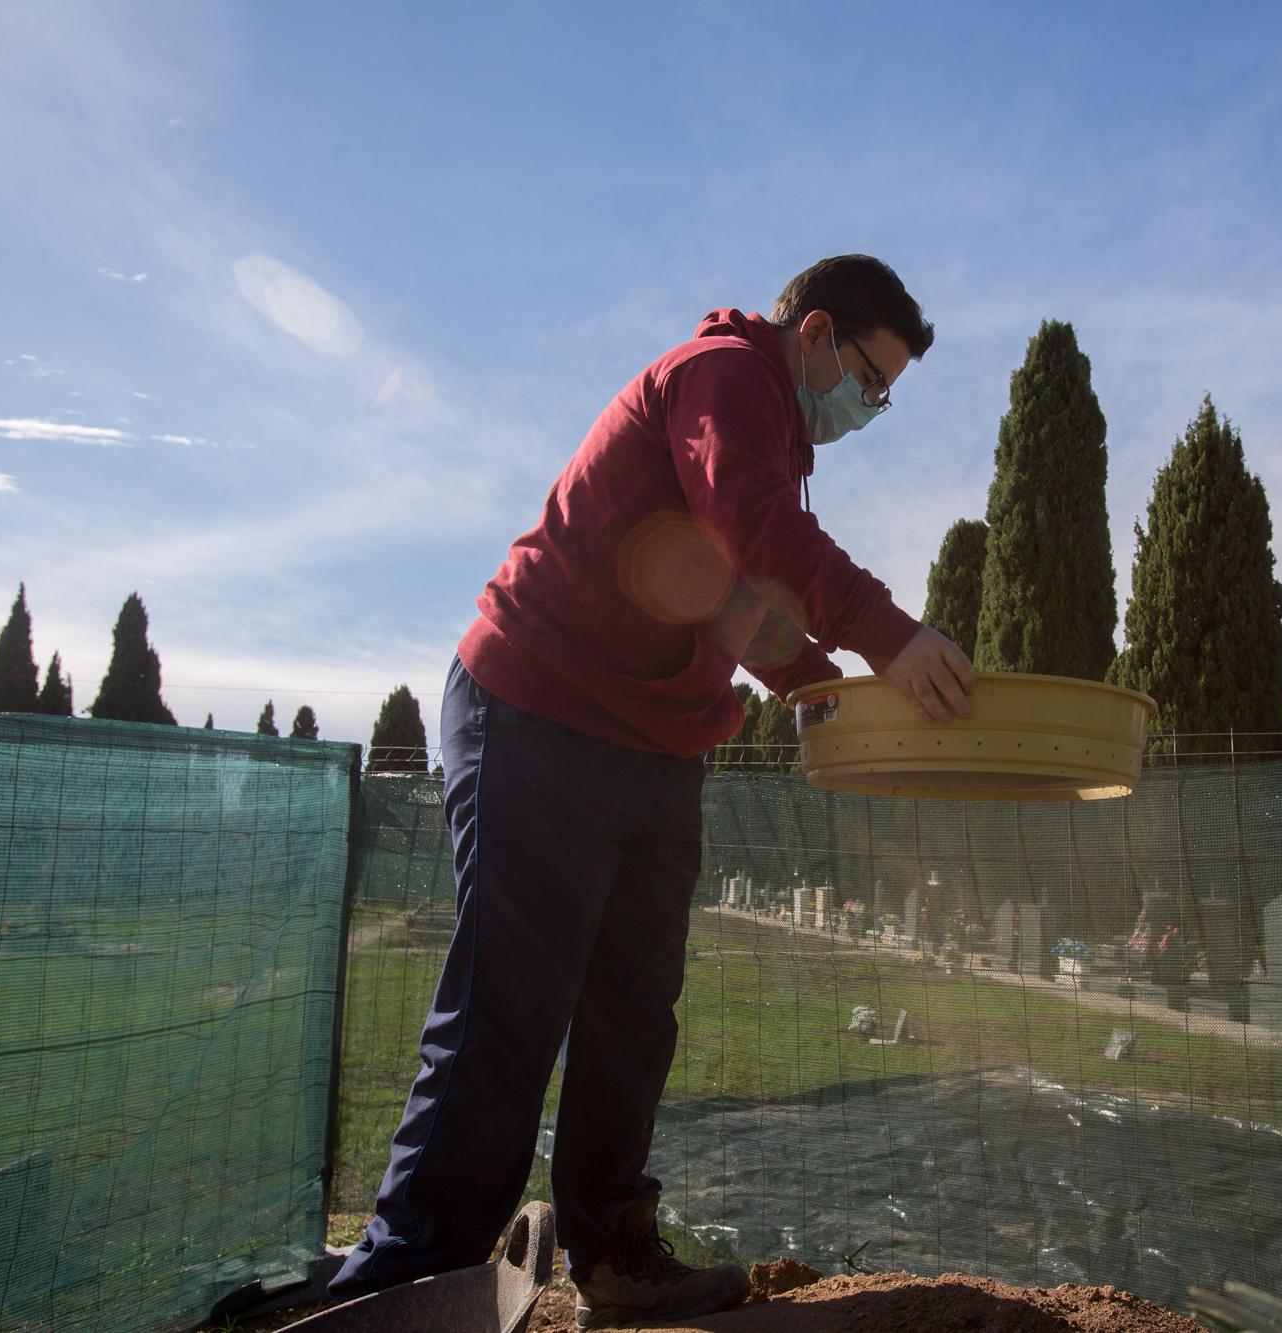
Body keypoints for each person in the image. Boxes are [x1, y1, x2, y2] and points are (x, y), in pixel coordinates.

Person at [329, 256, 975, 1329]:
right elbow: (756, 536)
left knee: (633, 1012)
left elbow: (721, 593)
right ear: (813, 334)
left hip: (655, 746)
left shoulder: (768, 431)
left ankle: (615, 1249)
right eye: (869, 380)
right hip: (535, 710)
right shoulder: (724, 377)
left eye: (883, 395)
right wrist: (889, 638)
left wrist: (824, 688)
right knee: (507, 1009)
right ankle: (406, 1284)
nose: (870, 409)